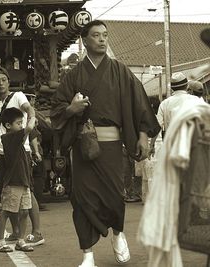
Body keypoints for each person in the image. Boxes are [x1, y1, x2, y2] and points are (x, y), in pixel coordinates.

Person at [50, 20, 160, 267]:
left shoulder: (120, 71)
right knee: (82, 200)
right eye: (96, 35)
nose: (102, 39)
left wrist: (143, 136)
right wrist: (71, 108)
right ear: (85, 40)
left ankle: (118, 234)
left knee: (114, 197)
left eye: (105, 35)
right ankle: (87, 254)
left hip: (111, 146)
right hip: (83, 146)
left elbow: (140, 104)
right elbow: (56, 111)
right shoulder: (73, 75)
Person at [0, 67, 44, 247]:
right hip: (3, 154)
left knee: (27, 189)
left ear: (8, 81)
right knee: (8, 192)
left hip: (21, 151)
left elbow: (29, 109)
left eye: (3, 79)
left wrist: (32, 118)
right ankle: (17, 233)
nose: (0, 83)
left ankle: (36, 232)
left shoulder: (18, 96)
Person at [0, 107, 35, 253]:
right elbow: (30, 127)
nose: (21, 126)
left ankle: (21, 240)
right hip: (13, 183)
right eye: (18, 123)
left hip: (23, 182)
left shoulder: (17, 140)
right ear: (8, 125)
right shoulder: (8, 138)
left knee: (24, 212)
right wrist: (32, 113)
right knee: (6, 211)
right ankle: (0, 242)